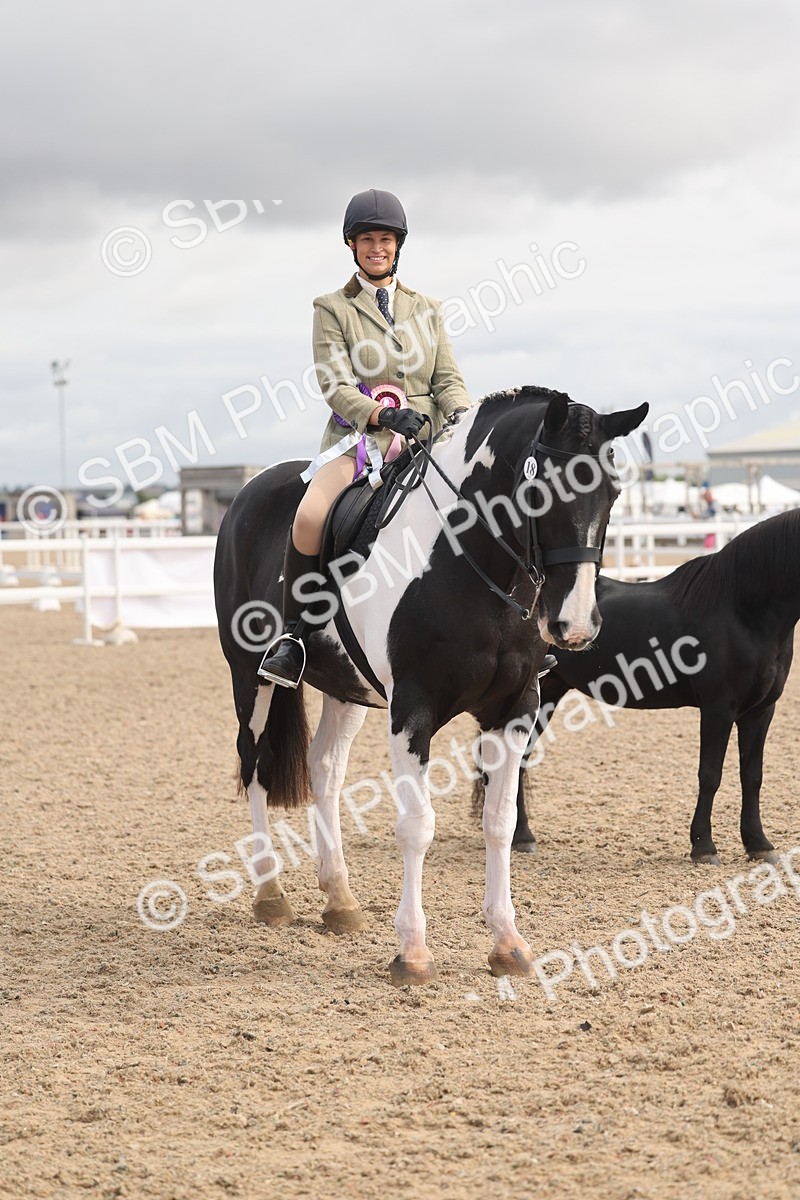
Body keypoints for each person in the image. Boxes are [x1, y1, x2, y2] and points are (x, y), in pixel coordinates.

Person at [258, 188, 472, 688]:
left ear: (398, 245)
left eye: (386, 239)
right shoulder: (332, 307)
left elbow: (447, 380)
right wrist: (379, 415)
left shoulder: (428, 308)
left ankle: (516, 628)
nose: (377, 247)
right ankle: (295, 634)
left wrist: (461, 419)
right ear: (352, 245)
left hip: (428, 439)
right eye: (367, 239)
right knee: (311, 515)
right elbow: (332, 382)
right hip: (359, 441)